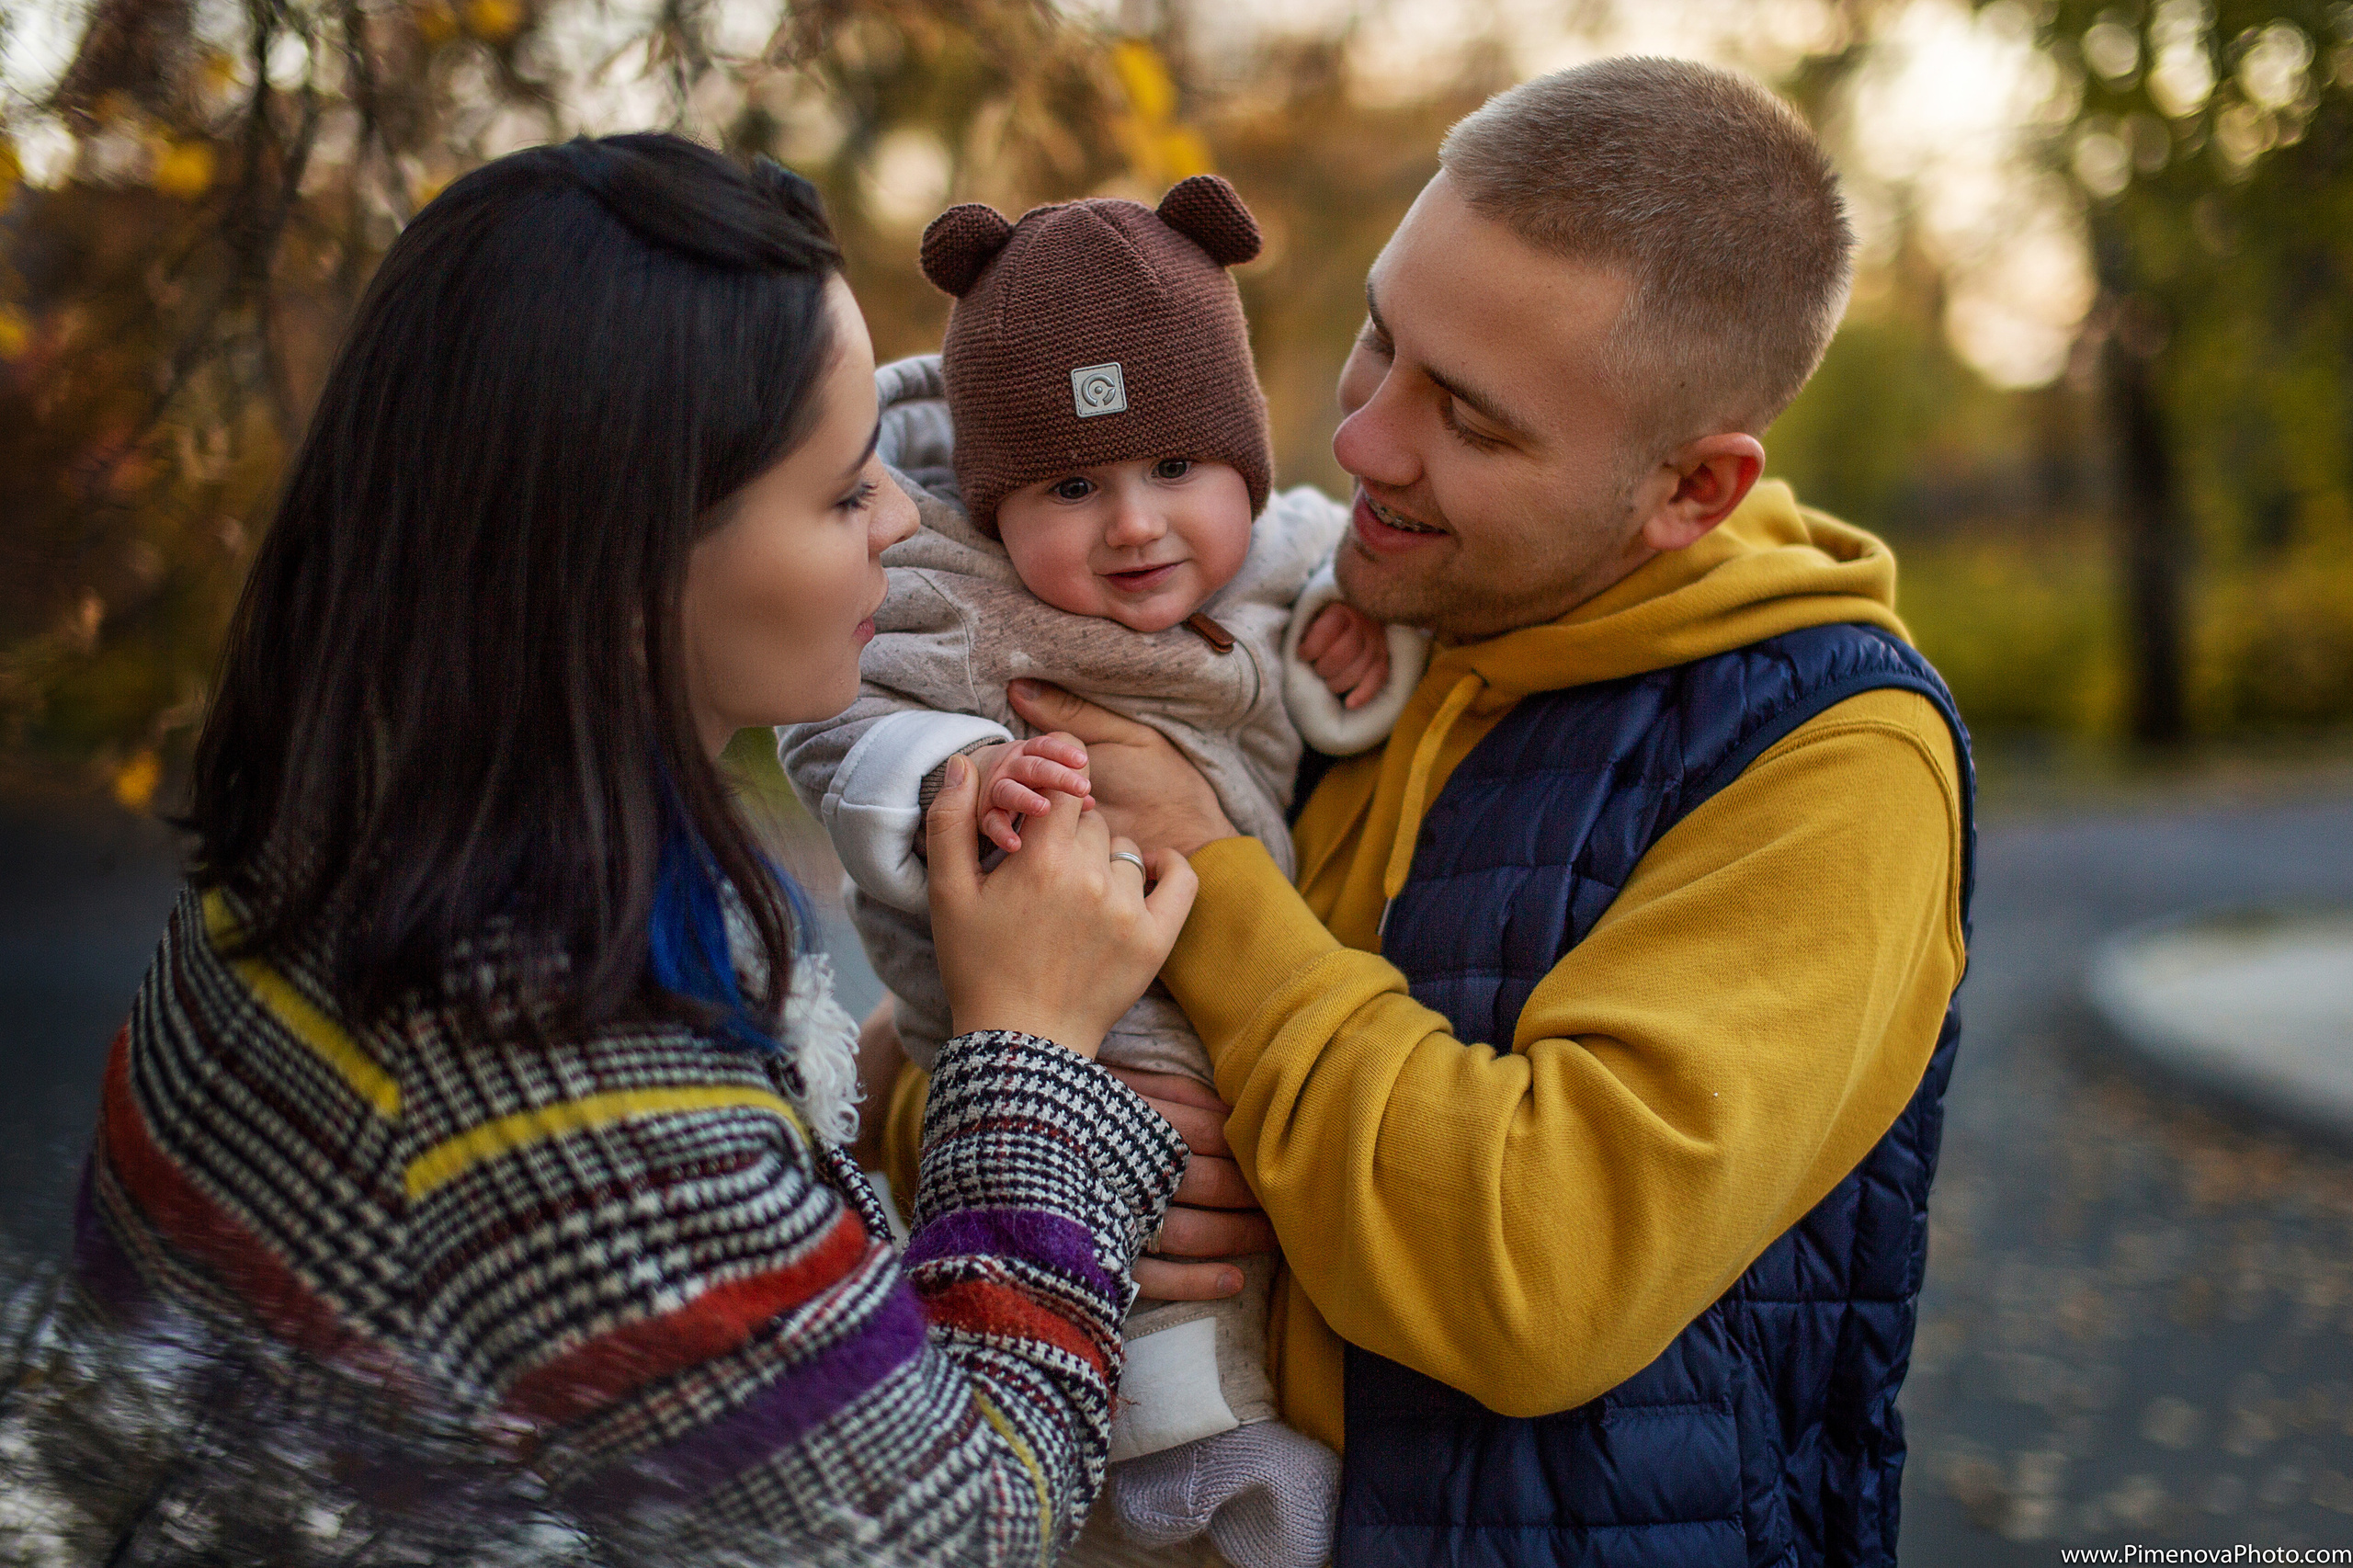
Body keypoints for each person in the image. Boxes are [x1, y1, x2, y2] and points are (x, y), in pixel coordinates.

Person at [17, 133, 1199, 1568]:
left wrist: (930, 1019)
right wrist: (1030, 1053)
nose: (898, 518)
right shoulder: (550, 1030)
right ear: (628, 560)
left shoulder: (375, 817)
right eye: (840, 493)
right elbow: (947, 1531)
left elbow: (646, 1329)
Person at [892, 58, 1977, 1567]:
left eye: (1468, 420)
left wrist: (1204, 869)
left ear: (1693, 489)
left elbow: (1538, 1269)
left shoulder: (1834, 761)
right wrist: (1026, 1104)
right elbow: (945, 1025)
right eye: (1378, 343)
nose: (1362, 444)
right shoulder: (1327, 618)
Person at [781, 176, 1422, 1568]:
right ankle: (1185, 1462)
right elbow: (838, 734)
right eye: (1072, 486)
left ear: (1243, 466)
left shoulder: (1286, 557)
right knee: (1136, 1194)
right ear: (1001, 498)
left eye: (1176, 470)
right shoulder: (953, 587)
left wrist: (1353, 657)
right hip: (1045, 981)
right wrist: (961, 768)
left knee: (1222, 1198)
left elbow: (1331, 618)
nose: (1135, 524)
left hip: (1234, 978)